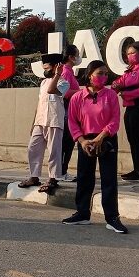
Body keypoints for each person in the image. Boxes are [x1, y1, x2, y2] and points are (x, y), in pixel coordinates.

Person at [63, 59, 128, 234]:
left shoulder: (111, 95)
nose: (104, 77)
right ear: (90, 75)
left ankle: (112, 217)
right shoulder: (77, 97)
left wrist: (101, 137)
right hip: (86, 141)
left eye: (106, 73)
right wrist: (82, 141)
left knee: (108, 179)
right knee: (84, 177)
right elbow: (72, 121)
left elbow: (114, 120)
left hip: (106, 139)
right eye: (100, 73)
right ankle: (82, 213)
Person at [18, 53, 69, 194]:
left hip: (54, 121)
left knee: (54, 151)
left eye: (47, 67)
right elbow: (40, 103)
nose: (45, 70)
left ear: (56, 67)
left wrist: (57, 74)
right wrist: (33, 123)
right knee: (32, 148)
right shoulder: (43, 82)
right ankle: (34, 177)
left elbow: (52, 90)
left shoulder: (63, 82)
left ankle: (53, 179)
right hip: (40, 121)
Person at [111, 42, 139, 182]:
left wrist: (128, 94)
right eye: (128, 53)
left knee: (138, 138)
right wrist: (115, 86)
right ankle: (137, 169)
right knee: (132, 138)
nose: (130, 56)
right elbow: (118, 83)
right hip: (131, 106)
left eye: (133, 53)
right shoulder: (130, 71)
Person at [60, 44, 82, 182]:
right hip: (67, 110)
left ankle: (62, 171)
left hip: (70, 110)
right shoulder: (66, 72)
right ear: (71, 57)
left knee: (68, 143)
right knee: (66, 143)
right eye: (77, 55)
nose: (78, 57)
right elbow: (65, 92)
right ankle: (61, 172)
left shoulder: (69, 71)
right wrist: (82, 92)